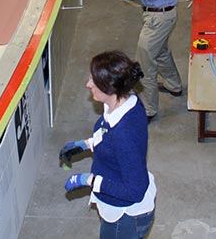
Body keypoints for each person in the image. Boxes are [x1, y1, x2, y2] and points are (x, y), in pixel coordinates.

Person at [61, 51, 155, 239]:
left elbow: (135, 190)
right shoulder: (125, 100)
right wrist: (87, 144)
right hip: (116, 199)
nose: (88, 84)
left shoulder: (124, 134)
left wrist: (89, 180)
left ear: (109, 88)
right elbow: (108, 134)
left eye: (93, 81)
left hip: (125, 217)